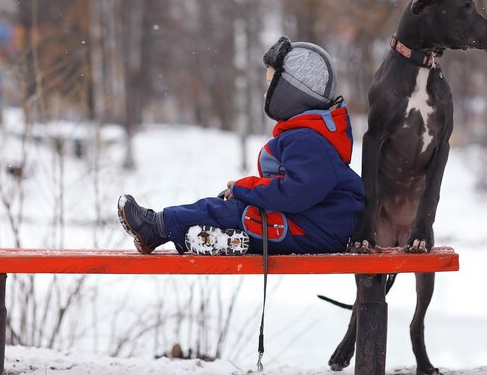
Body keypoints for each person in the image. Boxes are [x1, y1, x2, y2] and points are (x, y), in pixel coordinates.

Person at [118, 36, 364, 255]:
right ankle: (217, 237)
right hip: (313, 224)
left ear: (291, 92)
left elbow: (294, 194)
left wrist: (246, 188)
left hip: (315, 229)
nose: (266, 94)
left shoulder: (308, 139)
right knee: (230, 210)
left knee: (234, 213)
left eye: (271, 86)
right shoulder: (309, 134)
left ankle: (156, 228)